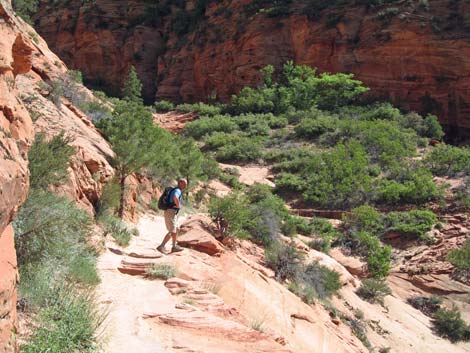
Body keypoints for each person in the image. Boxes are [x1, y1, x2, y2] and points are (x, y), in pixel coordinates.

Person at [157, 178, 187, 254]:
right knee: (172, 231)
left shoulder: (176, 190)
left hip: (172, 212)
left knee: (176, 229)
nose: (185, 186)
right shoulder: (177, 190)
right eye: (184, 184)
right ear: (180, 183)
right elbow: (175, 197)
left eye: (186, 184)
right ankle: (161, 246)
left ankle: (174, 246)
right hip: (170, 212)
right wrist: (178, 205)